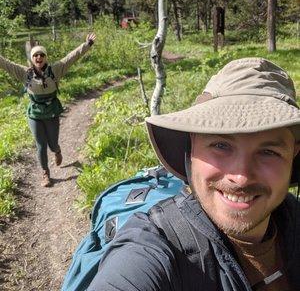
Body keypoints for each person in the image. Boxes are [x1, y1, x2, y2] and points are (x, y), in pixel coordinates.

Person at [87, 57, 300, 291]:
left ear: (293, 154)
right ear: (191, 149)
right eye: (221, 145)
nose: (241, 177)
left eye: (268, 151)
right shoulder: (153, 247)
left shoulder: (293, 219)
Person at [0, 33, 96, 187]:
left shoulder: (55, 70)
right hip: (35, 113)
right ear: (32, 58)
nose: (39, 57)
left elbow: (71, 57)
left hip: (51, 111)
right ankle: (45, 173)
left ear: (45, 57)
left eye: (41, 55)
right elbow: (6, 64)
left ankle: (57, 151)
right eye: (35, 55)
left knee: (52, 143)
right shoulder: (24, 73)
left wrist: (87, 44)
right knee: (40, 144)